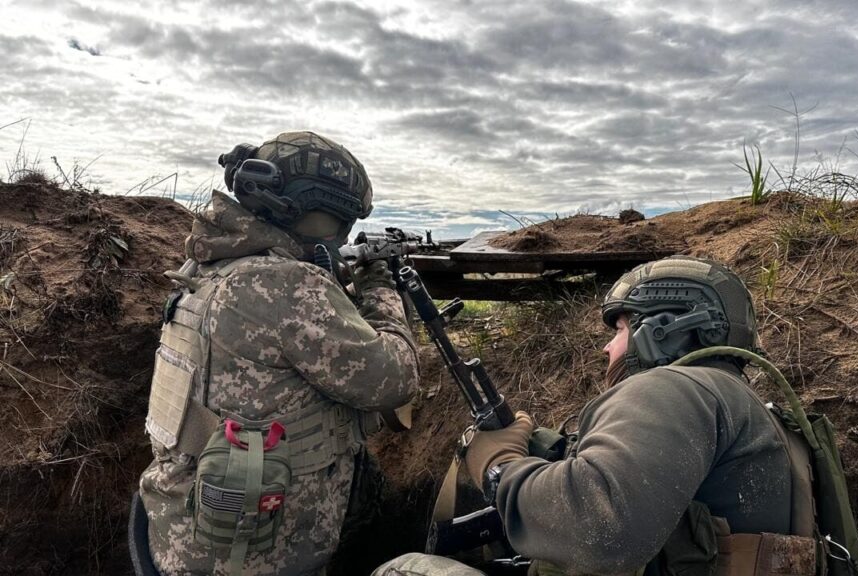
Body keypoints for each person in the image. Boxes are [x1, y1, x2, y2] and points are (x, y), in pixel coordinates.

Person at [375, 255, 819, 576]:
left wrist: (499, 468)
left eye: (622, 329)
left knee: (402, 569)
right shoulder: (754, 409)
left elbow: (599, 530)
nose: (608, 347)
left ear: (663, 330)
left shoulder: (674, 387)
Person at [138, 131, 419, 575]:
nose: (339, 236)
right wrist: (378, 288)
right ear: (302, 212)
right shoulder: (286, 284)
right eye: (336, 222)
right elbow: (395, 378)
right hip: (254, 554)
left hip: (180, 528)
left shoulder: (208, 265)